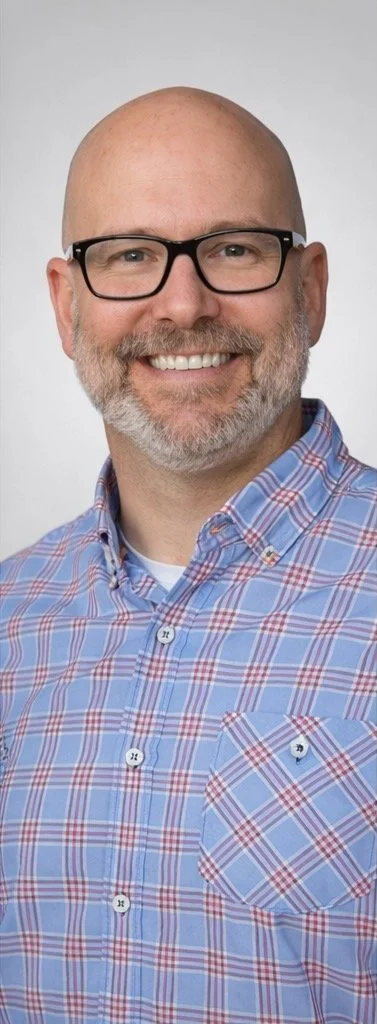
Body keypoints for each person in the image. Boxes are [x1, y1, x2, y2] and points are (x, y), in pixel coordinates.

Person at [0, 86, 376, 1024]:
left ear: (312, 286)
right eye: (128, 255)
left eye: (233, 249)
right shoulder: (9, 622)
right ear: (64, 303)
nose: (183, 303)